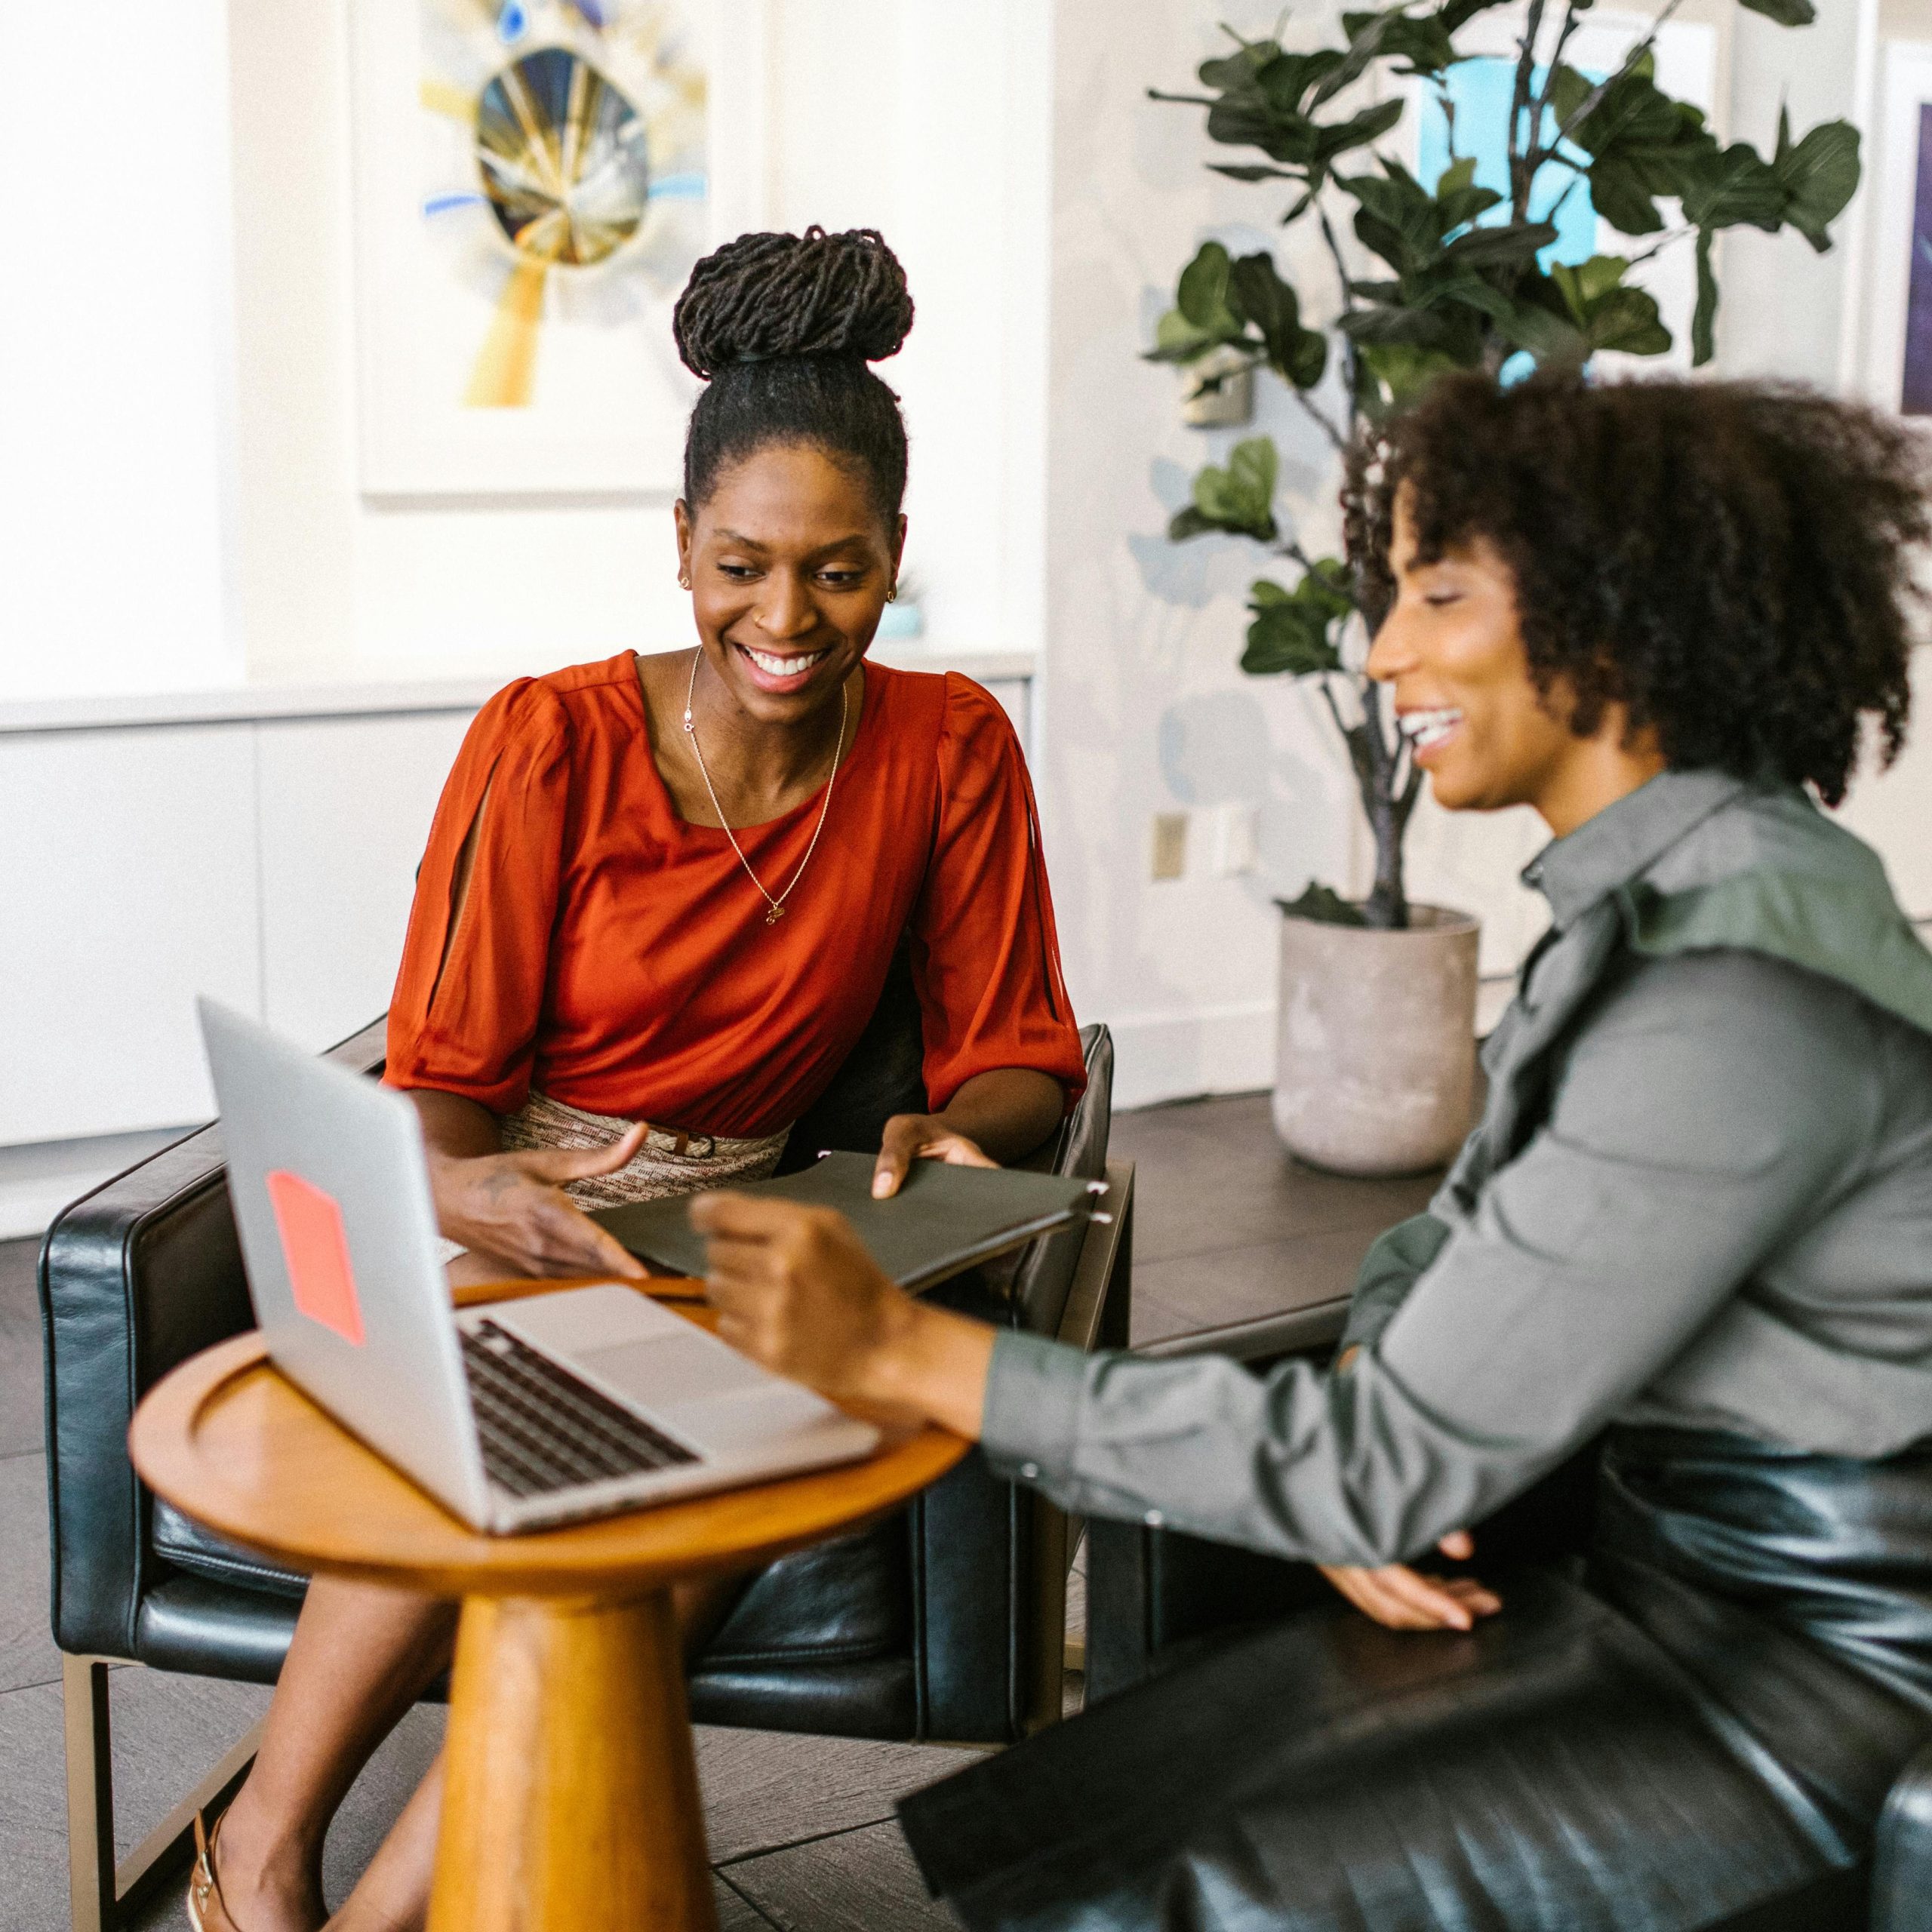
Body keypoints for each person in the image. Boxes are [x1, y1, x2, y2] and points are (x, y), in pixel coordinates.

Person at [694, 371, 1932, 1931]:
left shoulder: (1726, 993)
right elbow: (1447, 1233)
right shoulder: (1663, 900)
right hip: (1672, 1568)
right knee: (1109, 1805)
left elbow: (1388, 1455)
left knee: (1201, 1876)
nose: (1383, 649)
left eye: (1436, 593)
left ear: (1615, 616)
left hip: (1815, 1683)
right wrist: (1373, 1388)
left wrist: (898, 1350)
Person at [189, 226, 1088, 1932]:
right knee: (465, 1416)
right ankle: (263, 1845)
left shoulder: (949, 745)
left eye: (837, 569)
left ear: (894, 554)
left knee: (664, 1524)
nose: (785, 615)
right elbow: (439, 1091)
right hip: (523, 1193)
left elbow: (1022, 1052)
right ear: (680, 544)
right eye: (742, 562)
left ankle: (384, 1916)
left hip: (748, 1225)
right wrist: (467, 1197)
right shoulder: (548, 741)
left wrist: (959, 1125)